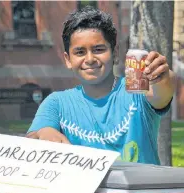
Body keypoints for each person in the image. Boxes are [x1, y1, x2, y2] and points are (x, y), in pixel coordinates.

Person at [26, 6, 175, 165]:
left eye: (98, 49)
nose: (89, 59)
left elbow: (161, 93)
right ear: (68, 59)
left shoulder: (137, 90)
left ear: (115, 54)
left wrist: (161, 77)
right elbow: (30, 140)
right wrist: (44, 131)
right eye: (80, 52)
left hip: (139, 189)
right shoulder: (57, 103)